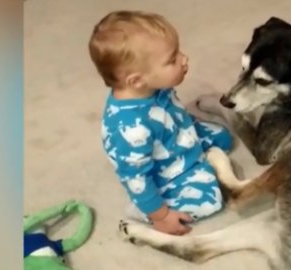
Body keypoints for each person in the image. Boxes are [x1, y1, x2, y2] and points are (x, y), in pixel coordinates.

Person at [88, 10, 233, 236]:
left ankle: (192, 149)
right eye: (172, 59)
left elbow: (170, 111)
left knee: (223, 137)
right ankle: (144, 210)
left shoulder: (152, 87)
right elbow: (136, 178)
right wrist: (162, 216)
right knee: (211, 199)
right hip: (165, 174)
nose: (184, 59)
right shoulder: (131, 129)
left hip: (176, 135)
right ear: (137, 80)